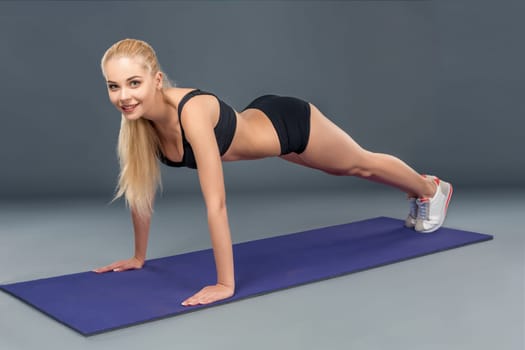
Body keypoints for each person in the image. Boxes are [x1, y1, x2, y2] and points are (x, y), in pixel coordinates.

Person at [93, 38, 453, 306]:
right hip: (260, 123)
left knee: (359, 164)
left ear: (156, 80)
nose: (123, 95)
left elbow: (216, 203)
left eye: (133, 83)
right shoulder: (138, 126)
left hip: (287, 125)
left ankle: (431, 188)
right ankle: (420, 188)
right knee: (344, 169)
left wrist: (225, 284)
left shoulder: (192, 112)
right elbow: (140, 193)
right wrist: (139, 257)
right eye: (114, 86)